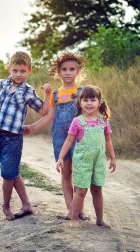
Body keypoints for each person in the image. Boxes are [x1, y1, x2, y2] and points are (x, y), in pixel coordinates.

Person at [0, 51, 51, 221]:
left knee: (7, 174)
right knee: (12, 172)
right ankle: (27, 205)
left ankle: (6, 206)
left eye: (22, 71)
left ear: (29, 71)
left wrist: (47, 95)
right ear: (9, 68)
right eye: (15, 70)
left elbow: (43, 110)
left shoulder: (28, 92)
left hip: (13, 138)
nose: (18, 74)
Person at [25, 51, 88, 220]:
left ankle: (79, 209)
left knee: (80, 173)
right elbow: (48, 116)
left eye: (72, 69)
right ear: (58, 72)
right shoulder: (55, 94)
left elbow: (92, 113)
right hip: (60, 137)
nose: (68, 72)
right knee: (66, 172)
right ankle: (70, 209)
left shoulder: (83, 92)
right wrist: (32, 127)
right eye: (64, 69)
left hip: (80, 137)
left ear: (78, 72)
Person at [56, 85, 116, 228]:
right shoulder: (78, 121)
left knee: (97, 189)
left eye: (93, 100)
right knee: (81, 190)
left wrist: (113, 158)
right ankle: (74, 219)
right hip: (83, 161)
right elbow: (69, 140)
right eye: (85, 100)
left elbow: (108, 140)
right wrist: (60, 158)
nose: (89, 103)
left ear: (99, 102)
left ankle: (100, 219)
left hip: (99, 161)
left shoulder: (103, 121)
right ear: (80, 102)